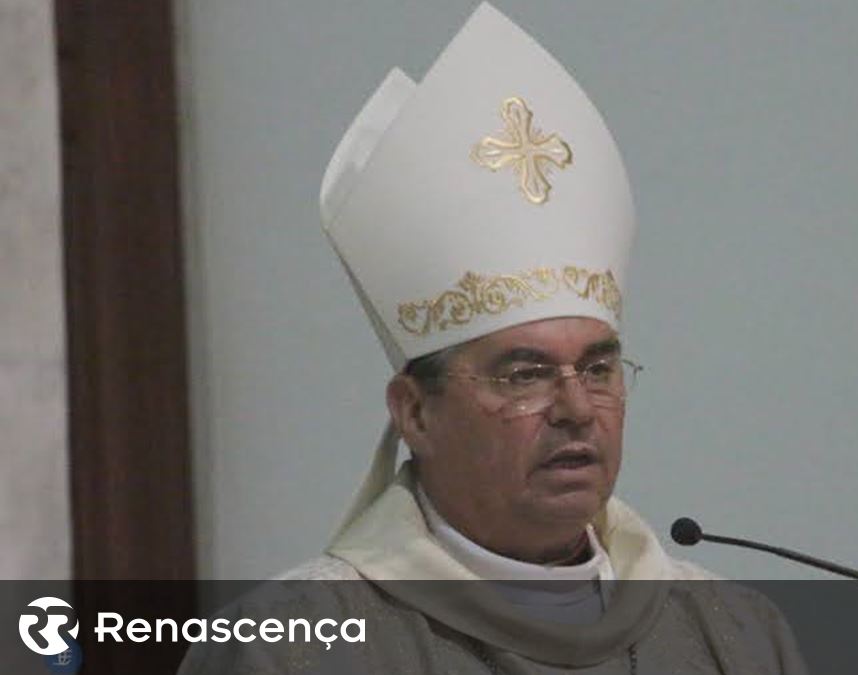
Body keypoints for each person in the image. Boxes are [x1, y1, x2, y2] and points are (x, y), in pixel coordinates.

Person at [180, 3, 805, 673]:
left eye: (598, 368)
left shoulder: (734, 636)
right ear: (416, 411)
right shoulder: (289, 648)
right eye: (525, 374)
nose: (577, 409)